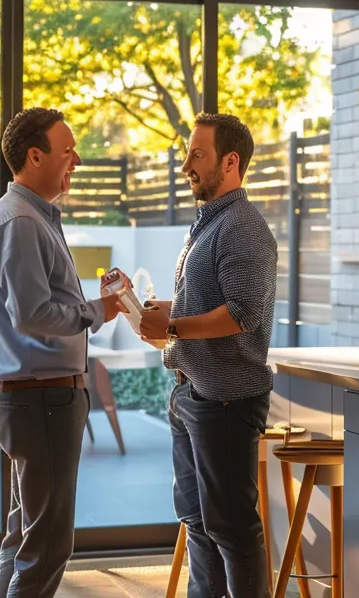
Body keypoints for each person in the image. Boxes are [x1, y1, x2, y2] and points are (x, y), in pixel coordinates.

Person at [0, 106, 124, 598]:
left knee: (23, 537)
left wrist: (91, 304)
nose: (77, 161)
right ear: (35, 156)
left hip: (33, 397)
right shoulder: (21, 220)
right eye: (67, 151)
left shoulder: (24, 215)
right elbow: (34, 314)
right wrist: (96, 312)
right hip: (40, 400)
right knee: (47, 546)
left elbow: (41, 304)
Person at [139, 113, 278, 598]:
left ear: (231, 161)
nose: (186, 165)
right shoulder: (209, 224)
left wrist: (173, 324)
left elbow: (242, 315)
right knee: (198, 522)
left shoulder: (243, 227)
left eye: (197, 154)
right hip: (193, 397)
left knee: (231, 527)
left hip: (226, 400)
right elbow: (209, 303)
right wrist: (163, 311)